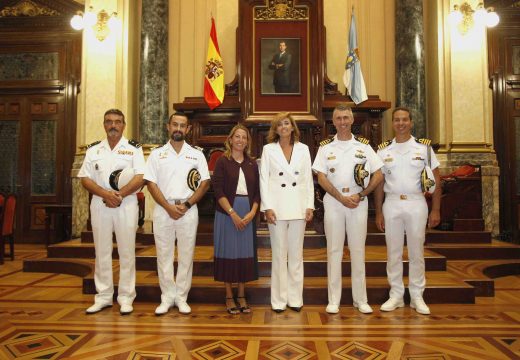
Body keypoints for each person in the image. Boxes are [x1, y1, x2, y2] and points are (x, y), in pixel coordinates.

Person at [312, 104, 383, 314]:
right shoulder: (326, 147)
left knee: (358, 250)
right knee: (334, 250)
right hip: (334, 202)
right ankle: (334, 299)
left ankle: (360, 299)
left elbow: (378, 174)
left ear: (352, 120)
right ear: (333, 122)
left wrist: (361, 194)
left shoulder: (364, 146)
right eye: (338, 118)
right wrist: (339, 197)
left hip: (357, 202)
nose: (342, 122)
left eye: (346, 118)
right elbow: (321, 176)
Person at [374, 107, 441, 315]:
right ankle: (395, 295)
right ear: (392, 123)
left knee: (416, 252)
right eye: (396, 120)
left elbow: (437, 179)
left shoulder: (424, 149)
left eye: (404, 120)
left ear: (411, 122)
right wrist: (378, 212)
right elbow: (378, 183)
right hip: (392, 203)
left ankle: (416, 295)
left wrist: (435, 209)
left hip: (416, 203)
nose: (401, 123)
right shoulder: (383, 150)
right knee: (393, 252)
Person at [78, 108, 145, 315]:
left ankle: (126, 297)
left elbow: (140, 177)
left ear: (123, 125)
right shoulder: (93, 150)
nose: (113, 125)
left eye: (117, 122)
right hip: (100, 205)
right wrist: (106, 195)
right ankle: (104, 296)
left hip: (125, 205)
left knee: (126, 251)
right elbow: (85, 178)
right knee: (102, 251)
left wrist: (119, 195)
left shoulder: (134, 149)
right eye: (109, 121)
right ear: (104, 125)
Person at [144, 112, 210, 315]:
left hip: (188, 210)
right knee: (163, 256)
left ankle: (181, 297)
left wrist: (188, 204)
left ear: (188, 129)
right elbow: (150, 182)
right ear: (168, 126)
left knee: (186, 255)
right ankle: (166, 298)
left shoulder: (197, 154)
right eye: (175, 125)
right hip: (164, 210)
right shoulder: (156, 154)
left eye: (183, 126)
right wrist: (167, 206)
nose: (178, 129)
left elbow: (205, 182)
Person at [260, 112, 314, 313]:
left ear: (292, 128)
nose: (284, 127)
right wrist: (267, 207)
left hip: (299, 206)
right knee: (279, 255)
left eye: (287, 123)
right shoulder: (268, 150)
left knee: (296, 255)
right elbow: (264, 179)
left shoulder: (304, 149)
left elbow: (308, 179)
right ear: (275, 129)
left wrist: (310, 205)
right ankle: (278, 300)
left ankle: (295, 299)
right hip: (277, 207)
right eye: (280, 124)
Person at [212, 124, 260, 314]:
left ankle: (241, 295)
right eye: (237, 137)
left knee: (243, 254)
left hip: (247, 212)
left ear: (247, 142)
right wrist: (232, 213)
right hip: (227, 213)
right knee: (228, 253)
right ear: (230, 139)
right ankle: (229, 296)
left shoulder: (252, 164)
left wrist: (252, 212)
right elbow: (218, 190)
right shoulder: (222, 161)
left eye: (244, 137)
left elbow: (257, 192)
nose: (241, 140)